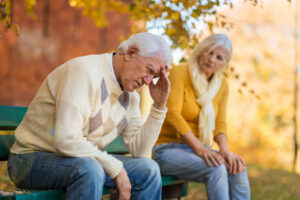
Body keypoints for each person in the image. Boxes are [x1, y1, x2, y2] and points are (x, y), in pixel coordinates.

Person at [8, 32, 171, 200]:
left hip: (78, 161)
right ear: (130, 53)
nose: (148, 81)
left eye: (155, 77)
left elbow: (140, 151)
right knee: (90, 169)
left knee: (148, 170)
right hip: (30, 159)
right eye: (149, 70)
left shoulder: (131, 97)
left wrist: (159, 106)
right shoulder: (84, 72)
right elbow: (66, 139)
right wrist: (116, 168)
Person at [152, 34, 250, 200]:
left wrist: (225, 151)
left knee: (237, 166)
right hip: (167, 149)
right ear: (201, 51)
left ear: (224, 64)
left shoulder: (221, 85)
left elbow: (220, 123)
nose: (212, 59)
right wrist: (200, 149)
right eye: (209, 52)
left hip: (199, 150)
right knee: (216, 168)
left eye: (219, 57)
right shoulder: (180, 72)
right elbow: (173, 115)